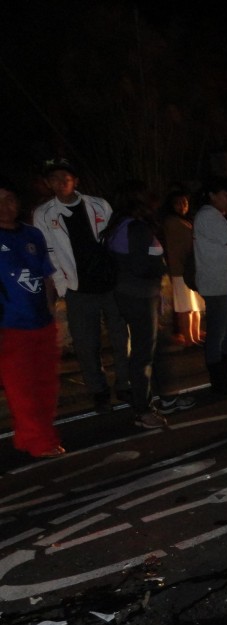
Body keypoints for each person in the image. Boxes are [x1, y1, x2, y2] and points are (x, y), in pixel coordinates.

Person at [32, 158, 131, 412]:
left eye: (65, 176)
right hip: (78, 289)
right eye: (53, 178)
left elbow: (117, 241)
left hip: (110, 284)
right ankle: (98, 390)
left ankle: (125, 383)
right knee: (86, 344)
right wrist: (63, 288)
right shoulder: (43, 214)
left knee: (122, 338)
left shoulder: (99, 205)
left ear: (75, 180)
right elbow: (49, 253)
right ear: (48, 183)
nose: (60, 182)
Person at [105, 179, 196, 429]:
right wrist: (160, 267)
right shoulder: (136, 228)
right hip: (140, 295)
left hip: (130, 293)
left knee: (150, 350)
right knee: (144, 354)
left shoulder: (120, 226)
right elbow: (140, 265)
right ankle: (144, 410)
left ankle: (160, 399)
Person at [0, 175, 64, 458]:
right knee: (22, 389)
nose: (5, 206)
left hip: (41, 322)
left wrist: (53, 312)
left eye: (9, 199)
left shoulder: (32, 235)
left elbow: (46, 275)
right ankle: (41, 442)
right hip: (10, 326)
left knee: (45, 385)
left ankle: (29, 437)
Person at [193, 176, 227, 395]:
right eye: (225, 195)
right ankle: (220, 382)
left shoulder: (215, 216)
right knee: (217, 333)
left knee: (225, 332)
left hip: (224, 283)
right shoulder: (208, 216)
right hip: (216, 284)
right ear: (212, 195)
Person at [160, 186, 204, 348]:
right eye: (178, 203)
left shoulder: (185, 220)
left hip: (190, 269)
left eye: (184, 202)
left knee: (195, 306)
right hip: (180, 270)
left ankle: (194, 335)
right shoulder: (172, 222)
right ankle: (189, 338)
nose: (182, 206)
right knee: (186, 307)